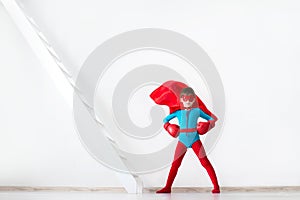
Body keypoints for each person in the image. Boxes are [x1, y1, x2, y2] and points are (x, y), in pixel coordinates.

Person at [150, 82, 220, 193]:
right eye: (185, 99)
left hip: (195, 139)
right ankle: (167, 187)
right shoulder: (178, 112)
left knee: (205, 162)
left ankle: (216, 187)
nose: (187, 101)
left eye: (190, 99)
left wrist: (207, 126)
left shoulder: (197, 111)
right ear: (181, 99)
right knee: (175, 164)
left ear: (194, 99)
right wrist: (168, 126)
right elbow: (165, 120)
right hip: (182, 140)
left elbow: (213, 119)